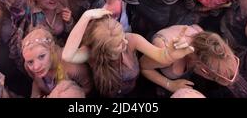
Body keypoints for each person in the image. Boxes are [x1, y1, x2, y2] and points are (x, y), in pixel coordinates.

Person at [62, 9, 193, 97]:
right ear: (101, 51)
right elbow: (67, 55)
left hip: (134, 90)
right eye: (118, 44)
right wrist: (86, 16)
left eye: (123, 36)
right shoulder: (91, 53)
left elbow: (160, 55)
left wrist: (170, 54)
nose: (125, 42)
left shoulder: (132, 40)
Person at [140, 25, 239, 94]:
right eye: (213, 78)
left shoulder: (203, 40)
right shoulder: (168, 54)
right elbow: (142, 66)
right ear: (203, 70)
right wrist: (170, 84)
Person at [21, 28, 92, 98]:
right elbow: (36, 83)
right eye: (30, 62)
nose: (36, 67)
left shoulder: (73, 65)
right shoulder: (27, 66)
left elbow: (88, 88)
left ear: (51, 49)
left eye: (41, 56)